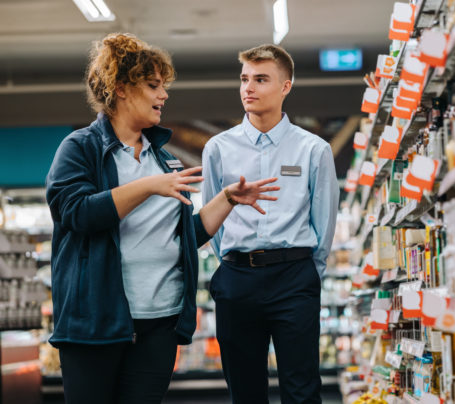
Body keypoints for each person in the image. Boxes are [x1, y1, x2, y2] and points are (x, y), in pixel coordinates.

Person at [45, 33, 279, 404]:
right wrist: (148, 186)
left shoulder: (161, 158)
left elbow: (182, 236)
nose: (164, 95)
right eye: (154, 86)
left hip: (160, 322)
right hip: (97, 323)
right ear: (120, 89)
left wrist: (228, 199)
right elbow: (75, 213)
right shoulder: (80, 148)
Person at [202, 44, 339, 404]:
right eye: (245, 79)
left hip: (294, 278)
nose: (249, 88)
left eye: (261, 79)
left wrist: (308, 274)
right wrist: (232, 264)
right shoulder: (218, 148)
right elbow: (210, 220)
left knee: (302, 389)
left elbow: (324, 223)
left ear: (285, 87)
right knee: (245, 392)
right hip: (236, 279)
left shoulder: (313, 150)